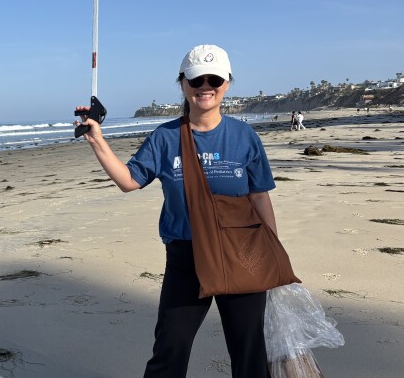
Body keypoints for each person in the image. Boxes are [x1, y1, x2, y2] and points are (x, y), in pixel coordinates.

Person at [75, 44, 278, 378]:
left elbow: (260, 199)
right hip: (187, 259)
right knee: (171, 346)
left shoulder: (245, 137)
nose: (205, 87)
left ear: (227, 83)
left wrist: (273, 254)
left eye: (214, 79)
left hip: (243, 254)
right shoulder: (165, 138)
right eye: (196, 80)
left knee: (249, 352)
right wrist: (97, 140)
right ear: (183, 83)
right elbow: (129, 181)